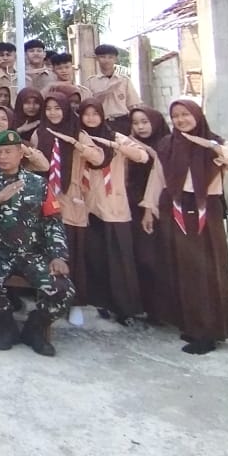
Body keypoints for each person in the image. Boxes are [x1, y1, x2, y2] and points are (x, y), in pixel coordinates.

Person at [140, 99, 228, 354]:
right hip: (175, 209)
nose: (181, 120)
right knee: (183, 269)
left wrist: (214, 147)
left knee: (205, 271)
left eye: (186, 114)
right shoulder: (167, 144)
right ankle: (192, 324)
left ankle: (209, 332)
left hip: (205, 211)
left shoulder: (214, 142)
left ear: (197, 115)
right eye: (176, 116)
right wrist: (149, 209)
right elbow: (157, 178)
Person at [0, 129, 75, 356]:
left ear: (20, 153)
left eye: (9, 151)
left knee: (63, 289)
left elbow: (53, 222)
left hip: (32, 253)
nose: (3, 157)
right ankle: (6, 326)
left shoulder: (38, 184)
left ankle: (35, 328)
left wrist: (58, 255)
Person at [32, 93, 109, 321]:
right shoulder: (39, 133)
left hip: (72, 198)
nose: (53, 113)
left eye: (58, 108)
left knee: (72, 252)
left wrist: (75, 144)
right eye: (49, 108)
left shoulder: (78, 133)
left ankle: (75, 303)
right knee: (46, 250)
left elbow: (98, 158)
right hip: (46, 198)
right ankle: (49, 299)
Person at [79, 99, 147, 325]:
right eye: (86, 114)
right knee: (96, 258)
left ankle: (125, 308)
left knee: (119, 259)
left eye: (95, 114)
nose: (90, 118)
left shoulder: (115, 137)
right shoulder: (79, 138)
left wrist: (117, 147)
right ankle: (102, 302)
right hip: (88, 206)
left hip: (113, 206)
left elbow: (142, 156)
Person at [126, 106, 169, 321]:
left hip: (161, 208)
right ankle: (145, 306)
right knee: (141, 258)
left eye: (144, 122)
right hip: (133, 206)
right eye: (135, 123)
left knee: (158, 259)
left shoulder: (167, 145)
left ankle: (162, 310)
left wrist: (152, 153)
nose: (140, 127)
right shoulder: (129, 145)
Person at [87, 44, 142, 132]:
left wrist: (135, 125)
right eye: (102, 57)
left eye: (110, 57)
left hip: (123, 122)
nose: (106, 60)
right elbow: (88, 106)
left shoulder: (124, 80)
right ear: (96, 58)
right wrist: (105, 92)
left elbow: (133, 106)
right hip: (101, 123)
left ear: (115, 59)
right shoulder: (91, 82)